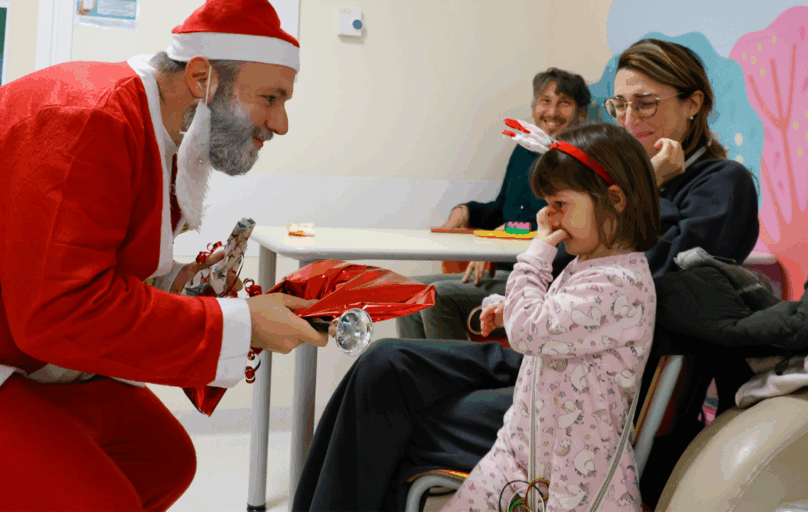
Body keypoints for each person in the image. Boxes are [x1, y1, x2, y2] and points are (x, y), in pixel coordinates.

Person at [0, 0, 327, 512]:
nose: (281, 122)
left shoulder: (158, 134)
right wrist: (237, 325)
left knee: (162, 460)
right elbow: (61, 310)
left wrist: (184, 284)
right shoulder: (86, 121)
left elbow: (87, 264)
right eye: (270, 98)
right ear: (203, 77)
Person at [291, 38, 760, 512]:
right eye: (620, 104)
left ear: (693, 104)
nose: (628, 119)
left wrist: (644, 182)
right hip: (547, 355)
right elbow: (562, 263)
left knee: (391, 406)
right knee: (383, 362)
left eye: (646, 104)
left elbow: (655, 285)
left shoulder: (724, 184)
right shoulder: (613, 171)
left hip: (593, 391)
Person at [442, 122, 661, 512]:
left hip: (579, 483)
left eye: (560, 205)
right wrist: (508, 306)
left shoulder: (620, 283)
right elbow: (558, 320)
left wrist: (535, 254)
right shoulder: (589, 264)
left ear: (614, 199)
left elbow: (532, 330)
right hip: (521, 454)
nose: (550, 219)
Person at [396, 68, 591, 341]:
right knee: (409, 292)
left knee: (438, 297)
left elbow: (558, 223)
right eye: (545, 101)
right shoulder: (525, 150)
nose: (552, 111)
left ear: (582, 114)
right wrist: (467, 211)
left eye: (564, 103)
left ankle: (445, 377)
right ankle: (414, 376)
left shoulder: (580, 163)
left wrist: (505, 232)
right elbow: (503, 208)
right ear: (535, 107)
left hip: (537, 276)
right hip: (501, 268)